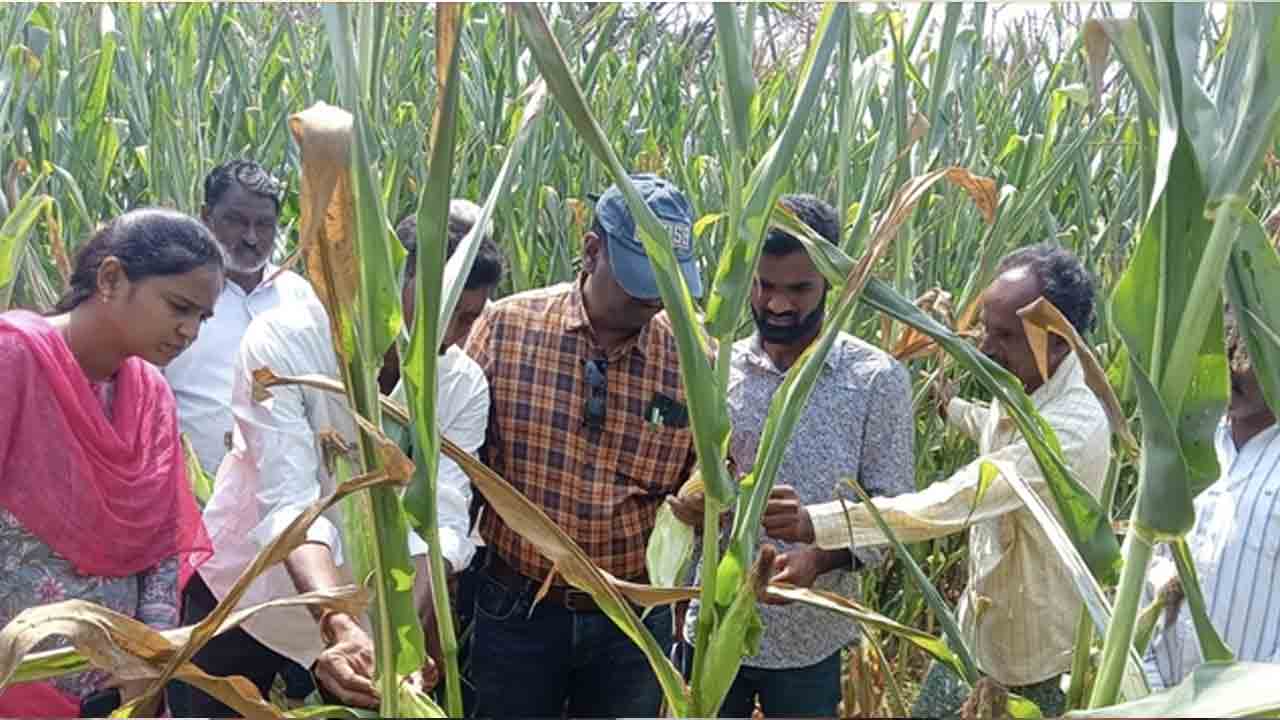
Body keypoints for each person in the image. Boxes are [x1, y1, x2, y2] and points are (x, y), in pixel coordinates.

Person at [173, 200, 504, 715]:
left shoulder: (462, 384)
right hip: (251, 598)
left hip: (368, 626)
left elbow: (441, 519)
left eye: (470, 318)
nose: (456, 336)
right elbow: (289, 502)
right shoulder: (287, 343)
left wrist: (400, 635)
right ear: (393, 285)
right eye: (449, 314)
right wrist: (340, 623)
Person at [763, 244, 1111, 719]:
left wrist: (815, 522)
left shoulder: (1072, 428)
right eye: (986, 330)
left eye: (1004, 336)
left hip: (1032, 658)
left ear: (1060, 340)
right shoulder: (1024, 386)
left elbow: (956, 501)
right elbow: (992, 423)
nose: (986, 349)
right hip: (973, 632)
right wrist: (951, 408)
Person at [463, 173, 703, 718]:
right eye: (640, 279)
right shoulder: (506, 329)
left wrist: (702, 489)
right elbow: (460, 462)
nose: (655, 298)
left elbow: (713, 474)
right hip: (517, 604)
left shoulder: (694, 358)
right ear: (591, 251)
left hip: (633, 617)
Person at [673, 194, 914, 718]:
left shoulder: (875, 380)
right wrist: (693, 505)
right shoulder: (719, 368)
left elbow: (894, 512)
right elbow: (688, 473)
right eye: (763, 285)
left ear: (832, 278)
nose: (777, 305)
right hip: (711, 624)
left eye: (799, 288)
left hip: (812, 638)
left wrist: (818, 556)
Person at [0, 209, 222, 717]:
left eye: (202, 318)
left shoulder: (152, 398)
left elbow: (162, 553)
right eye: (178, 307)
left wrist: (148, 669)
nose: (189, 331)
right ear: (111, 278)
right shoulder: (14, 361)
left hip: (117, 697)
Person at [1143, 310, 1280, 688]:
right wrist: (1148, 690)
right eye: (1225, 343)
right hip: (1150, 699)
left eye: (1249, 351)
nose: (1232, 365)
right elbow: (1139, 570)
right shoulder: (1181, 444)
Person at [164, 160, 316, 476]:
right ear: (206, 218)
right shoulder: (175, 296)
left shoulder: (301, 298)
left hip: (285, 492)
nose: (251, 238)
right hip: (193, 489)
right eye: (236, 221)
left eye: (263, 225)